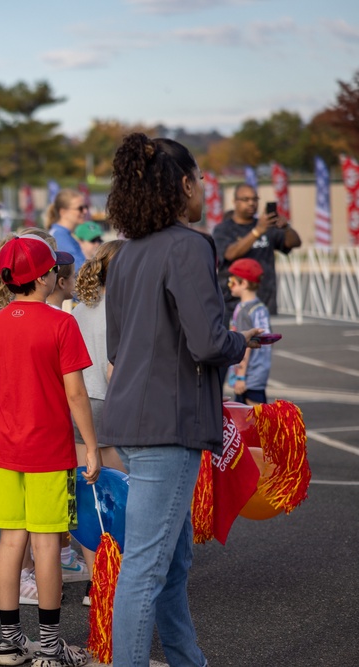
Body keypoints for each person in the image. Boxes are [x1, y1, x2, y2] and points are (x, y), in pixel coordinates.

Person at [101, 133, 260, 667]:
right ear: (185, 183)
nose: (204, 195)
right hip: (169, 422)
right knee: (147, 566)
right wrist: (242, 342)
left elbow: (117, 349)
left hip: (133, 418)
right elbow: (211, 341)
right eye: (200, 183)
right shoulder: (190, 245)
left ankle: (187, 658)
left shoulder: (125, 255)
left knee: (169, 560)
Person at [0, 236, 100, 667]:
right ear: (46, 276)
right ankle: (50, 645)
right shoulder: (60, 323)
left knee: (12, 540)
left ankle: (10, 642)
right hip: (50, 450)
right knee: (47, 544)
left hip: (8, 450)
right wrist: (90, 446)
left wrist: (3, 418)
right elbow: (76, 394)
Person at [70, 239, 127, 606]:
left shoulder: (78, 309)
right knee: (121, 494)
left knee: (87, 496)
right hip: (113, 401)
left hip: (79, 404)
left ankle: (96, 580)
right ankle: (119, 574)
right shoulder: (123, 308)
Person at [212, 183, 301, 324]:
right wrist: (257, 232)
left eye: (255, 199)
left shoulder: (266, 226)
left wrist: (286, 227)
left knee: (262, 343)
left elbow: (294, 243)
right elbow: (229, 254)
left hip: (262, 300)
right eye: (246, 199)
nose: (251, 203)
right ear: (235, 201)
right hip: (233, 302)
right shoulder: (223, 229)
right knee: (237, 343)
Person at [225, 258, 272, 406]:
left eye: (232, 281)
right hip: (260, 374)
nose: (229, 285)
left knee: (250, 421)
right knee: (260, 418)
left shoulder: (243, 311)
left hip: (247, 377)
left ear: (244, 283)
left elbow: (244, 344)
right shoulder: (260, 307)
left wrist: (240, 377)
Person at [45, 189, 88, 269]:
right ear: (63, 212)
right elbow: (79, 269)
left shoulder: (63, 234)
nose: (85, 211)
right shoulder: (59, 236)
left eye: (86, 207)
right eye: (80, 208)